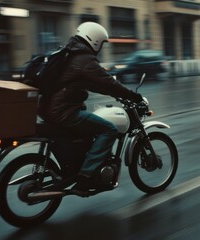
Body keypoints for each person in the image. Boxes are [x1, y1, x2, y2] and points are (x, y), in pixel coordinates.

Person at [38, 22, 144, 194]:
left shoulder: (69, 53)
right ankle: (86, 176)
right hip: (63, 112)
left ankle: (80, 167)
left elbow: (92, 83)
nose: (100, 48)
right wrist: (133, 95)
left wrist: (114, 93)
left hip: (49, 109)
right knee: (109, 129)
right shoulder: (84, 59)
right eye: (101, 44)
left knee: (90, 128)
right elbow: (107, 81)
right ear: (94, 40)